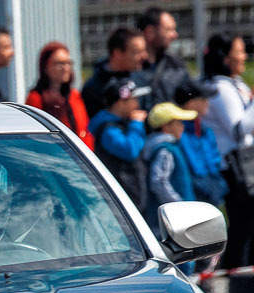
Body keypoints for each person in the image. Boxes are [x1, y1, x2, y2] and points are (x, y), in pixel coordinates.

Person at [201, 33, 254, 269]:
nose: (244, 56)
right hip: (233, 170)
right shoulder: (219, 89)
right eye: (239, 51)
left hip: (250, 168)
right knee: (243, 230)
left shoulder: (238, 85)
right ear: (225, 57)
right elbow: (239, 128)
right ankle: (238, 277)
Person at [88, 80, 150, 210]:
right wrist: (137, 124)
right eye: (134, 100)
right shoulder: (108, 130)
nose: (138, 104)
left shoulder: (122, 124)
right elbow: (130, 150)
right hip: (121, 202)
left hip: (132, 196)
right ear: (120, 103)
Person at [141, 102, 200, 230]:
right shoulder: (165, 150)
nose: (182, 127)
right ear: (166, 126)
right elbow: (158, 181)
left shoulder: (167, 147)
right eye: (178, 123)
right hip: (171, 221)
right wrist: (179, 205)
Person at [26, 42, 92, 148]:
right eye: (59, 63)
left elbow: (85, 131)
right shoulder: (36, 98)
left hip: (77, 153)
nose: (65, 68)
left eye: (68, 63)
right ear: (45, 67)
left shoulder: (74, 95)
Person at [174, 80, 227, 208]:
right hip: (194, 201)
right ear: (191, 103)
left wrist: (218, 186)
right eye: (203, 99)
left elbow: (214, 161)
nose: (207, 102)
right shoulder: (178, 133)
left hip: (212, 193)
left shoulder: (204, 130)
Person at [82, 28, 149, 118]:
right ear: (117, 54)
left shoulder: (142, 78)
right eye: (137, 52)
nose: (145, 56)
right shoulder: (93, 88)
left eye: (144, 50)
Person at [137, 7, 193, 108]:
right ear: (150, 32)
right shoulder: (127, 68)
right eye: (169, 30)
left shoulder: (176, 66)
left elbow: (190, 98)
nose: (174, 35)